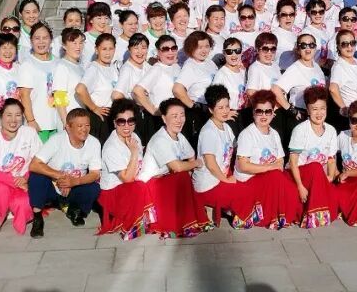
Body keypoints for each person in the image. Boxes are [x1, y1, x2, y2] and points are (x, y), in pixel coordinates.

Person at [137, 98, 212, 237]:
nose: (179, 120)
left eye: (182, 115)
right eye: (174, 116)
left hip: (165, 179)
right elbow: (178, 166)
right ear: (164, 118)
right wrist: (195, 164)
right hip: (149, 185)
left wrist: (190, 167)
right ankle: (181, 224)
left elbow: (191, 155)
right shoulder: (160, 139)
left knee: (185, 177)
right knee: (182, 176)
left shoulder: (178, 136)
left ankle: (190, 221)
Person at [233, 90, 303, 229]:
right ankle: (273, 217)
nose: (264, 115)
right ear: (253, 113)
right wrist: (270, 167)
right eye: (259, 111)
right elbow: (243, 166)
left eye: (268, 111)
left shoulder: (274, 134)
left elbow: (280, 161)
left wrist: (273, 168)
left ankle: (285, 215)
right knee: (276, 176)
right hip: (250, 180)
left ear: (273, 113)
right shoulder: (247, 134)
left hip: (269, 177)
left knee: (290, 187)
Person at [28, 108, 103, 238]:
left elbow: (95, 173)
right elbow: (34, 164)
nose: (84, 129)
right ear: (68, 127)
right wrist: (61, 176)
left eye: (87, 125)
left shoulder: (94, 143)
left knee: (94, 188)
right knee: (36, 177)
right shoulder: (56, 140)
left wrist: (74, 182)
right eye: (79, 126)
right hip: (52, 186)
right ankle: (37, 217)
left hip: (74, 186)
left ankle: (74, 209)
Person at [97, 98, 156, 239]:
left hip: (132, 183)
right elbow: (127, 179)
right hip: (114, 191)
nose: (126, 126)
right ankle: (141, 222)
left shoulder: (134, 136)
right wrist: (134, 152)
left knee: (157, 183)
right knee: (140, 187)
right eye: (121, 121)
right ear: (114, 123)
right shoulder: (111, 147)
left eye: (131, 121)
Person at [193, 85, 250, 227]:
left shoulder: (226, 127)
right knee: (240, 192)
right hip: (209, 182)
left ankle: (230, 208)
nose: (225, 111)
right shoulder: (209, 132)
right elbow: (211, 164)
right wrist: (226, 180)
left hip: (222, 175)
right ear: (211, 110)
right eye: (220, 108)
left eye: (227, 106)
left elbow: (236, 148)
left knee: (248, 183)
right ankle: (222, 209)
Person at [0, 98, 40, 235]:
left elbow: (37, 161)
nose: (13, 120)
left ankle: (14, 211)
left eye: (18, 115)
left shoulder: (29, 133)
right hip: (1, 182)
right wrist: (15, 182)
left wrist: (25, 178)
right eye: (9, 115)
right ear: (0, 117)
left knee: (23, 202)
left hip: (23, 181)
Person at [288, 86, 340, 228]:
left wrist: (330, 177)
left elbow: (331, 159)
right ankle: (313, 217)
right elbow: (293, 162)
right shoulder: (300, 130)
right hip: (301, 174)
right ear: (308, 110)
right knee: (315, 167)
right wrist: (300, 186)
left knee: (335, 200)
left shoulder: (331, 130)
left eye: (322, 108)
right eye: (315, 109)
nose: (319, 113)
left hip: (319, 176)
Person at [74, 33, 126, 143]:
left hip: (112, 117)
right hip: (99, 119)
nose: (108, 53)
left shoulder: (113, 67)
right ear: (96, 50)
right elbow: (80, 89)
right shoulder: (94, 68)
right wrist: (94, 108)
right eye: (104, 49)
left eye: (111, 49)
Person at [132, 35, 182, 143]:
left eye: (173, 48)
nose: (170, 52)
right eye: (165, 49)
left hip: (176, 119)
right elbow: (137, 91)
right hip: (159, 121)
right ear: (158, 52)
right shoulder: (157, 69)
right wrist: (154, 111)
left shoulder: (177, 67)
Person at [18, 23, 59, 141]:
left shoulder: (58, 62)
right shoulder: (28, 64)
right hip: (39, 124)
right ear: (31, 41)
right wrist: (31, 121)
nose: (41, 42)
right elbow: (24, 95)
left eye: (45, 38)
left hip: (57, 121)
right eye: (37, 38)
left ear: (51, 40)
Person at [51, 28, 86, 137]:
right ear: (64, 46)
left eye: (81, 43)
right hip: (69, 121)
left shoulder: (80, 67)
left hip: (81, 119)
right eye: (74, 43)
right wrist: (66, 122)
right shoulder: (62, 66)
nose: (78, 46)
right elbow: (59, 96)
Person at [327, 29, 357, 129]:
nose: (349, 47)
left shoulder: (356, 61)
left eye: (352, 43)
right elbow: (333, 89)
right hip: (350, 115)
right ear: (338, 46)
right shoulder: (339, 66)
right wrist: (344, 108)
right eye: (344, 44)